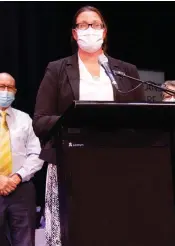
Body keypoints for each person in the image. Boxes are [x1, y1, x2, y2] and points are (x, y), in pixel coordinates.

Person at [33, 5, 145, 246]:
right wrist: (79, 119)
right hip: (69, 163)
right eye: (82, 25)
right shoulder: (58, 69)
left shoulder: (126, 71)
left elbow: (141, 121)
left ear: (104, 31)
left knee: (113, 231)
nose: (89, 29)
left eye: (95, 24)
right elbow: (40, 121)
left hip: (116, 164)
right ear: (74, 34)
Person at [0, 73, 44, 246]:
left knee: (24, 241)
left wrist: (17, 177)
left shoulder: (24, 119)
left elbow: (37, 154)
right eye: (1, 86)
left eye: (9, 88)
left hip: (21, 189)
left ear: (15, 91)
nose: (5, 91)